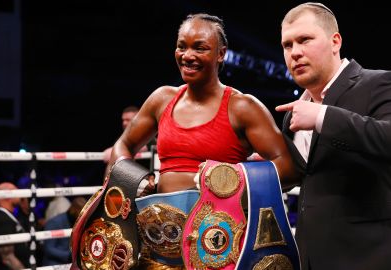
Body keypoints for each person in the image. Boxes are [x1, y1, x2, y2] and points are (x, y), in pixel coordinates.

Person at [108, 13, 297, 269]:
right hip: (160, 245)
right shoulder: (162, 99)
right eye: (181, 46)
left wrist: (226, 181)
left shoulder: (242, 107)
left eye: (200, 48)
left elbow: (288, 167)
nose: (187, 55)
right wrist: (133, 180)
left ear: (221, 54)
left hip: (218, 246)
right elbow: (123, 145)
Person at [275, 3, 391, 270]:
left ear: (335, 42)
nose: (295, 52)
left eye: (305, 40)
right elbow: (306, 178)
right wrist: (265, 168)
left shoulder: (379, 83)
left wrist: (323, 117)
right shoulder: (294, 114)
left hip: (374, 260)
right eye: (287, 45)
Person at [0, 182, 30, 270]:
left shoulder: (6, 215)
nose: (20, 195)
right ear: (7, 196)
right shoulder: (2, 219)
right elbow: (7, 258)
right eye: (16, 191)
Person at [43, 196, 86, 266]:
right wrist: (69, 256)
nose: (83, 216)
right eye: (81, 213)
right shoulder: (54, 222)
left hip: (72, 263)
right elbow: (48, 248)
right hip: (54, 264)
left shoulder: (78, 222)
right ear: (74, 209)